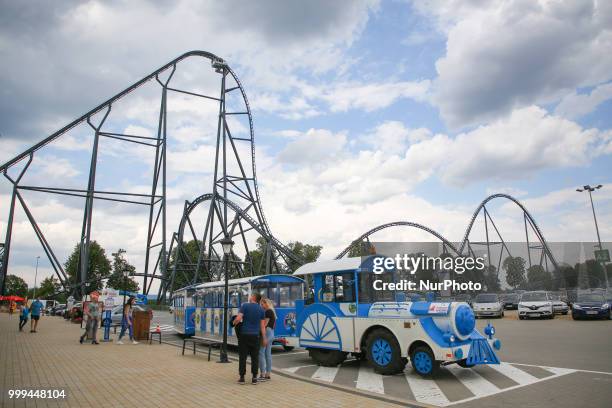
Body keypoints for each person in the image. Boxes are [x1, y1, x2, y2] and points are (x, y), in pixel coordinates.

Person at [233, 292, 266, 385]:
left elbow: (239, 318)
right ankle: (254, 378)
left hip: (244, 335)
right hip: (255, 336)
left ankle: (242, 378)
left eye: (251, 295)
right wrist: (264, 338)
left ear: (253, 297)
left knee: (242, 356)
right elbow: (262, 326)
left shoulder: (245, 306)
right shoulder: (261, 310)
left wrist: (234, 322)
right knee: (255, 357)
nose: (250, 296)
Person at [258, 297, 276, 382]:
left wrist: (262, 334)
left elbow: (264, 324)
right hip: (271, 333)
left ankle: (262, 373)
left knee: (261, 352)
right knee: (268, 354)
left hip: (267, 332)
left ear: (266, 304)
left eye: (262, 304)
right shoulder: (272, 311)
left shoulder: (268, 311)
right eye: (260, 304)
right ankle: (268, 374)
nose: (261, 306)